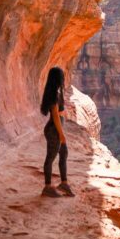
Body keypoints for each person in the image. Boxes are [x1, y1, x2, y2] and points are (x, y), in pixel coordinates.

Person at [40, 66, 75, 197]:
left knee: (64, 153)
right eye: (62, 76)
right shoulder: (54, 93)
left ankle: (64, 183)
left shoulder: (56, 91)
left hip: (55, 128)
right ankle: (47, 187)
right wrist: (61, 134)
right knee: (50, 157)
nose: (63, 78)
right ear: (57, 78)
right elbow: (55, 115)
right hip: (53, 130)